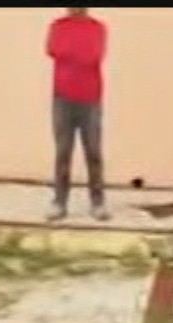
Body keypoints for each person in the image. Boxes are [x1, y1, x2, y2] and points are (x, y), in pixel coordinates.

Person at [46, 8, 108, 222]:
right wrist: (76, 52)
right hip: (62, 98)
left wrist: (71, 53)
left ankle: (98, 203)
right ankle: (59, 202)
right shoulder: (58, 26)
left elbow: (93, 56)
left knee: (93, 152)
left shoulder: (98, 28)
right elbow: (53, 49)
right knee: (63, 152)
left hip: (90, 99)